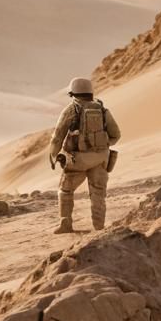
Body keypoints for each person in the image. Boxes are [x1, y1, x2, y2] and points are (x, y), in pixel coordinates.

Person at [48, 76, 122, 233]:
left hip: (77, 161)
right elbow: (116, 135)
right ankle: (99, 227)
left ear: (72, 93)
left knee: (65, 190)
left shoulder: (70, 110)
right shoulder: (102, 109)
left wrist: (53, 156)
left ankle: (65, 224)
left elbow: (57, 137)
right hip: (101, 159)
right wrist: (101, 144)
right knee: (98, 194)